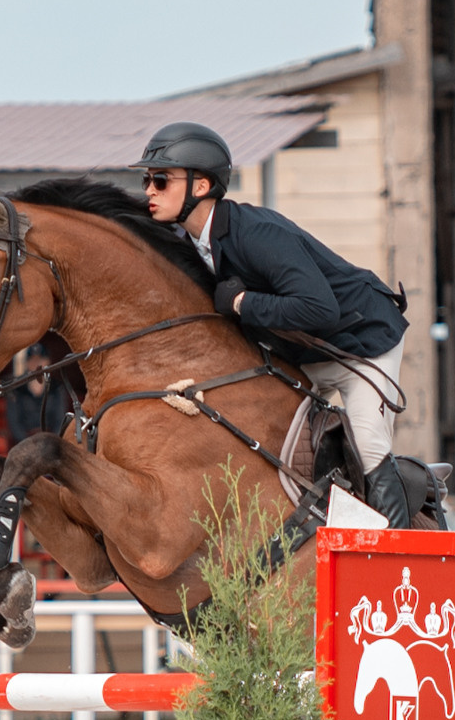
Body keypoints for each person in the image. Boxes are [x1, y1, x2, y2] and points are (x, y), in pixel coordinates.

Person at [132, 121, 415, 525]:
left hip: (363, 342)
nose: (149, 190)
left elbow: (319, 309)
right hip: (304, 352)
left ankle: (400, 548)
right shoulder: (188, 245)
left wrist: (244, 303)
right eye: (146, 180)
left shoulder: (257, 233)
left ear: (201, 186)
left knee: (368, 444)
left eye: (160, 180)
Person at [4, 345, 72, 446]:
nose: (36, 364)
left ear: (48, 362)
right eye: (32, 360)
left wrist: (51, 442)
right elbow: (14, 423)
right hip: (24, 443)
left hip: (50, 442)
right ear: (27, 363)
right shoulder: (17, 390)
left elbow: (60, 420)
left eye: (40, 360)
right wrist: (28, 444)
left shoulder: (57, 388)